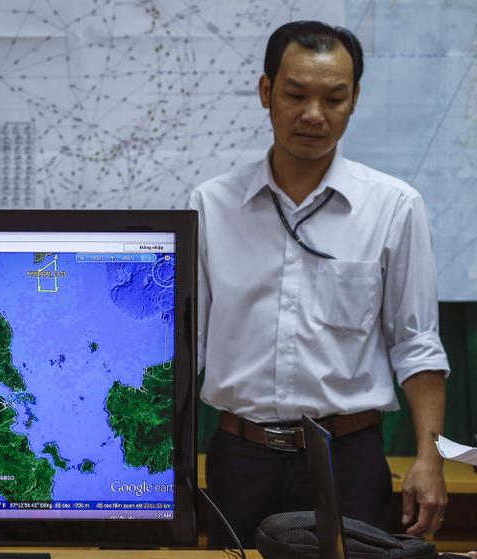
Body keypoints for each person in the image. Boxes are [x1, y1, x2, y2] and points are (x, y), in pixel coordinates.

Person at [189, 20, 449, 549]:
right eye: (295, 94)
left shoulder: (394, 207)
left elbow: (417, 344)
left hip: (348, 457)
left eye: (334, 98)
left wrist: (429, 459)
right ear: (266, 92)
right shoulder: (211, 205)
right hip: (240, 455)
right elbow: (183, 346)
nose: (314, 115)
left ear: (354, 99)